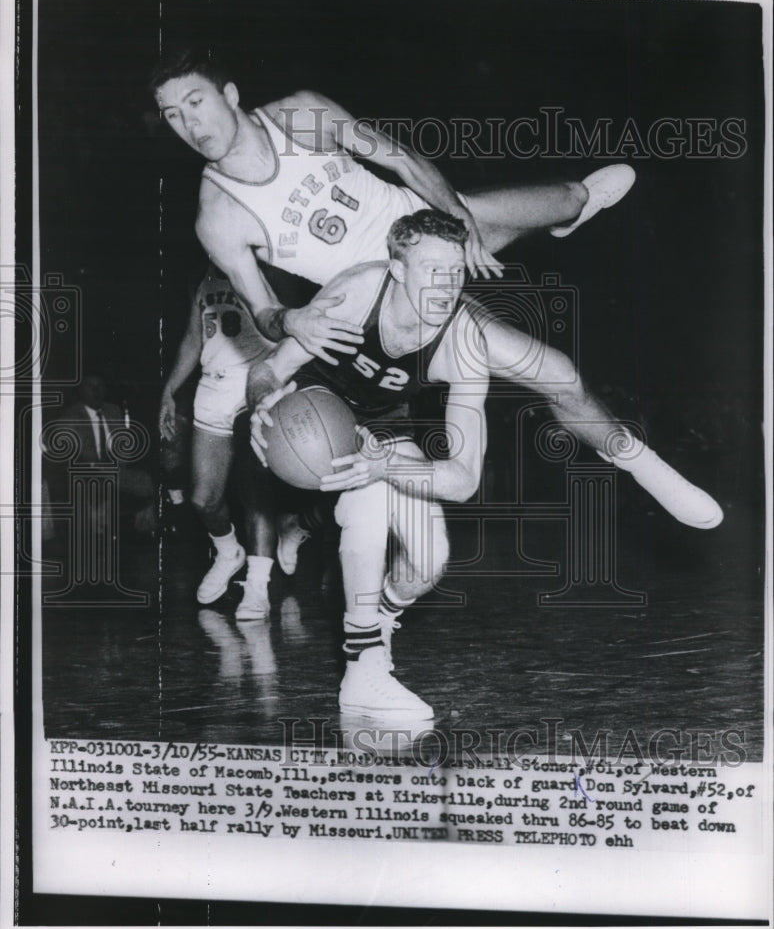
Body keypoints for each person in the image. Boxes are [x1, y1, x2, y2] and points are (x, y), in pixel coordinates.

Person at [151, 50, 722, 531]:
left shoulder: (298, 115)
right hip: (386, 295)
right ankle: (644, 465)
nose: (189, 124)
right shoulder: (218, 215)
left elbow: (399, 157)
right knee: (556, 373)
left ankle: (566, 215)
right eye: (172, 116)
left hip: (427, 227)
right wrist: (291, 321)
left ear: (228, 93)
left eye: (195, 102)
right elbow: (266, 311)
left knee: (572, 197)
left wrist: (456, 217)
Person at [249, 210, 490, 720]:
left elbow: (464, 480)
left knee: (428, 562)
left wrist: (388, 468)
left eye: (457, 272)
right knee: (370, 499)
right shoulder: (357, 293)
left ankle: (376, 618)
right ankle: (362, 668)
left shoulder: (466, 343)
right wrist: (261, 403)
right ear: (398, 270)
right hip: (312, 414)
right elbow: (269, 368)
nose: (447, 287)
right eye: (432, 270)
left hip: (387, 431)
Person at [159, 263, 279, 618]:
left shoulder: (264, 269)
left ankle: (257, 585)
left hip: (255, 380)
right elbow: (193, 339)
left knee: (256, 491)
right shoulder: (204, 279)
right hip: (212, 384)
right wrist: (169, 391)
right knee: (202, 499)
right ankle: (229, 553)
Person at [52, 374, 156, 537]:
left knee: (145, 480)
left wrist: (121, 462)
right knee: (95, 484)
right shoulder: (71, 416)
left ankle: (143, 530)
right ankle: (96, 535)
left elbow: (123, 444)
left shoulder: (113, 410)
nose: (96, 390)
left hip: (114, 469)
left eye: (100, 386)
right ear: (80, 391)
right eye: (91, 386)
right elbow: (62, 450)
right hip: (86, 469)